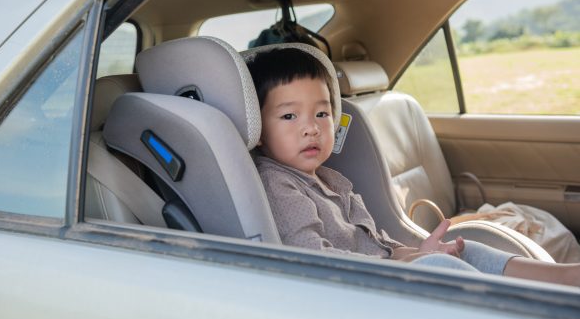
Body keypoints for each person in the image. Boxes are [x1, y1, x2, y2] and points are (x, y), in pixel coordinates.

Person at [245, 46, 580, 286]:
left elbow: (376, 244)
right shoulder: (279, 185)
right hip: (356, 291)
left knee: (464, 251)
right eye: (289, 116)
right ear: (258, 129)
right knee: (439, 266)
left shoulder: (331, 179)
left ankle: (563, 278)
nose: (311, 127)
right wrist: (416, 262)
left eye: (322, 113)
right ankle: (525, 313)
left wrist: (414, 253)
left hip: (381, 274)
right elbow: (316, 261)